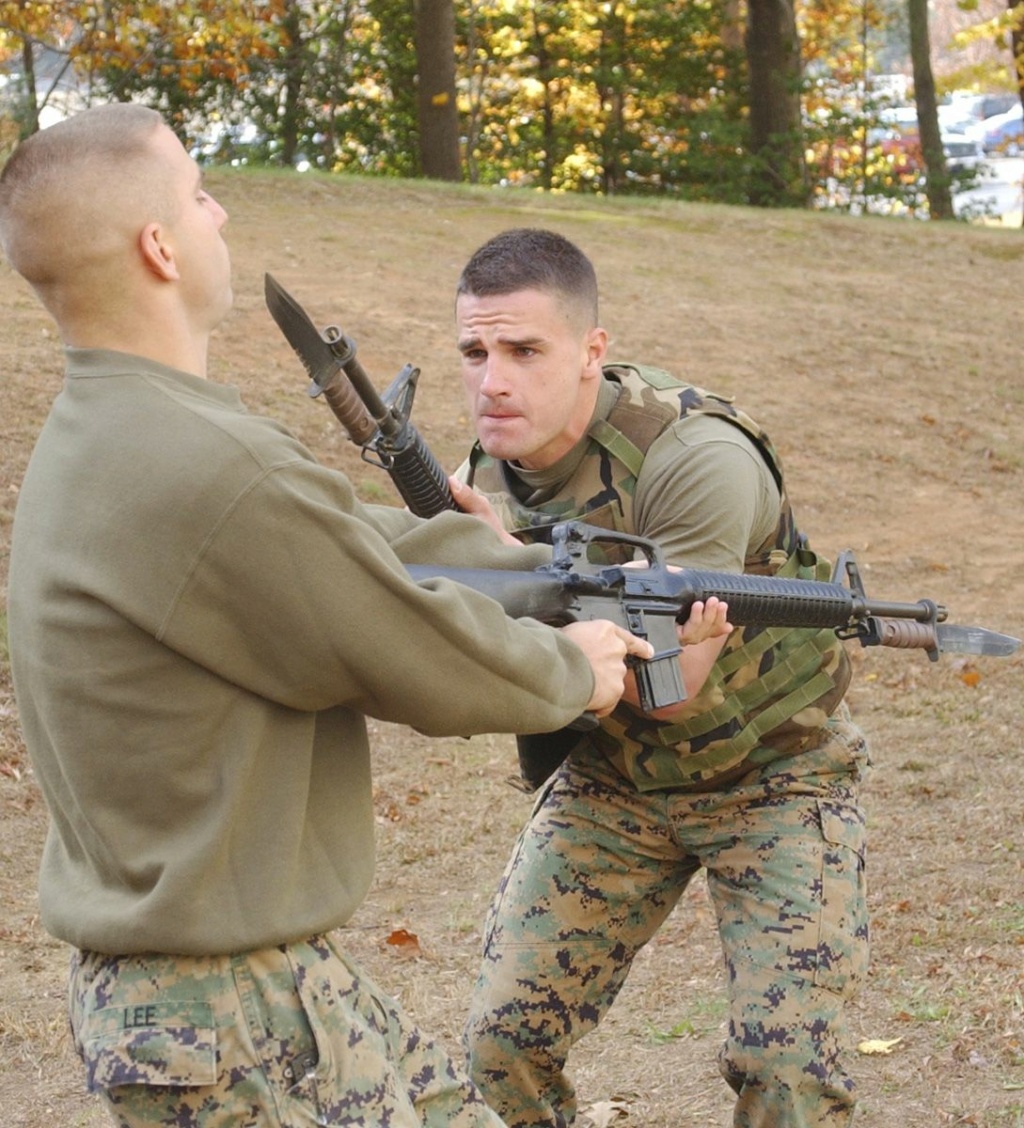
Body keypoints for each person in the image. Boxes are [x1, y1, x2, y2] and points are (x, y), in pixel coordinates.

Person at [0, 107, 662, 1128]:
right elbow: (402, 641)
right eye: (200, 193)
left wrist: (535, 566)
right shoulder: (198, 464)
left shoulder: (126, 431)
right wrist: (573, 667)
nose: (221, 214)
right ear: (159, 246)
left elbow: (345, 537)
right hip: (222, 1015)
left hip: (243, 984)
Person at [452, 228, 871, 1128]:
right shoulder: (484, 476)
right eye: (475, 351)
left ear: (591, 352)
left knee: (784, 1064)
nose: (492, 380)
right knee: (502, 1045)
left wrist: (500, 590)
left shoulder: (695, 460)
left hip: (772, 775)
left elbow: (647, 677)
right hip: (617, 785)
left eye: (524, 351)